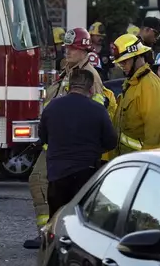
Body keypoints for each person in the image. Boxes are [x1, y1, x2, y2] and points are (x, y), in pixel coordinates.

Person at [23, 27, 105, 249]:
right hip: (56, 140)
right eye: (67, 47)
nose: (67, 51)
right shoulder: (67, 72)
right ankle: (49, 232)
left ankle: (51, 233)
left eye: (73, 48)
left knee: (44, 182)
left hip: (70, 144)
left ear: (85, 50)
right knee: (41, 183)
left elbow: (96, 111)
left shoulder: (90, 76)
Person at [40, 69, 117, 217]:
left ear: (69, 86)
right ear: (91, 88)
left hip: (57, 175)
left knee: (57, 221)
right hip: (86, 175)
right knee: (82, 222)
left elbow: (43, 137)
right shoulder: (98, 110)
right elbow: (111, 141)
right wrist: (95, 150)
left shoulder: (52, 107)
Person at [111, 34, 160, 156]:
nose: (122, 67)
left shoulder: (149, 85)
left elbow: (154, 132)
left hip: (139, 161)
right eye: (120, 63)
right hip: (126, 159)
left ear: (137, 57)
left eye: (124, 62)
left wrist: (148, 163)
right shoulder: (132, 82)